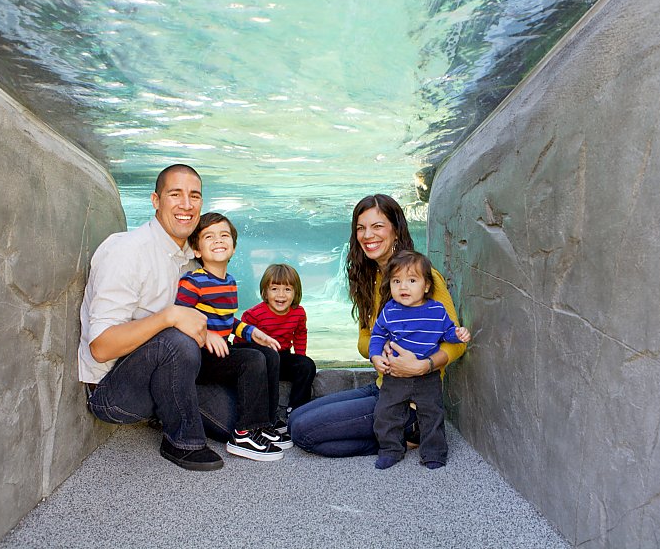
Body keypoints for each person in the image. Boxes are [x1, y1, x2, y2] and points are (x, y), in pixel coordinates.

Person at [288, 194, 467, 458]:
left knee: (304, 432)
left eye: (377, 226)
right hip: (384, 384)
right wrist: (377, 349)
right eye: (361, 228)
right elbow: (364, 338)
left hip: (411, 400)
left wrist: (423, 365)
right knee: (296, 419)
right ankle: (394, 433)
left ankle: (406, 432)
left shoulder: (423, 279)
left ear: (396, 230)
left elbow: (457, 343)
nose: (367, 235)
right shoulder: (368, 277)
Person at [79, 164, 232, 472]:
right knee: (176, 339)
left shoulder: (192, 258)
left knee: (233, 424)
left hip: (165, 378)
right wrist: (170, 316)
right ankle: (182, 442)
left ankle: (168, 411)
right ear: (155, 200)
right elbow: (100, 347)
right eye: (175, 194)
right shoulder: (128, 251)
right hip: (113, 391)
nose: (186, 205)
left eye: (194, 196)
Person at [175, 212, 291, 461]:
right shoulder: (192, 281)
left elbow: (228, 320)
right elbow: (180, 318)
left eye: (224, 235)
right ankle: (244, 433)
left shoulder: (229, 282)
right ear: (196, 249)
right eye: (209, 236)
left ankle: (264, 424)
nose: (218, 240)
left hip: (219, 351)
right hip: (199, 357)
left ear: (234, 247)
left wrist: (252, 331)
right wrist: (205, 336)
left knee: (269, 354)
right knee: (251, 360)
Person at [369, 250, 471, 470]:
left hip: (428, 377)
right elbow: (378, 335)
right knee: (386, 413)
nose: (403, 287)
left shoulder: (436, 310)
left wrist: (459, 334)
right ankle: (391, 449)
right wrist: (376, 356)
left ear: (426, 286)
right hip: (395, 377)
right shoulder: (389, 311)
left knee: (432, 414)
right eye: (397, 281)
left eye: (412, 280)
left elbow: (448, 334)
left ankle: (434, 452)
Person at [237, 264, 317, 424]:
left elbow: (300, 333)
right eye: (274, 289)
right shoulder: (253, 315)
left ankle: (296, 410)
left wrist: (300, 357)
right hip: (262, 361)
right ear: (265, 292)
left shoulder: (298, 313)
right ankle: (266, 417)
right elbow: (241, 345)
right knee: (265, 360)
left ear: (296, 293)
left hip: (283, 357)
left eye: (287, 289)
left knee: (307, 365)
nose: (281, 295)